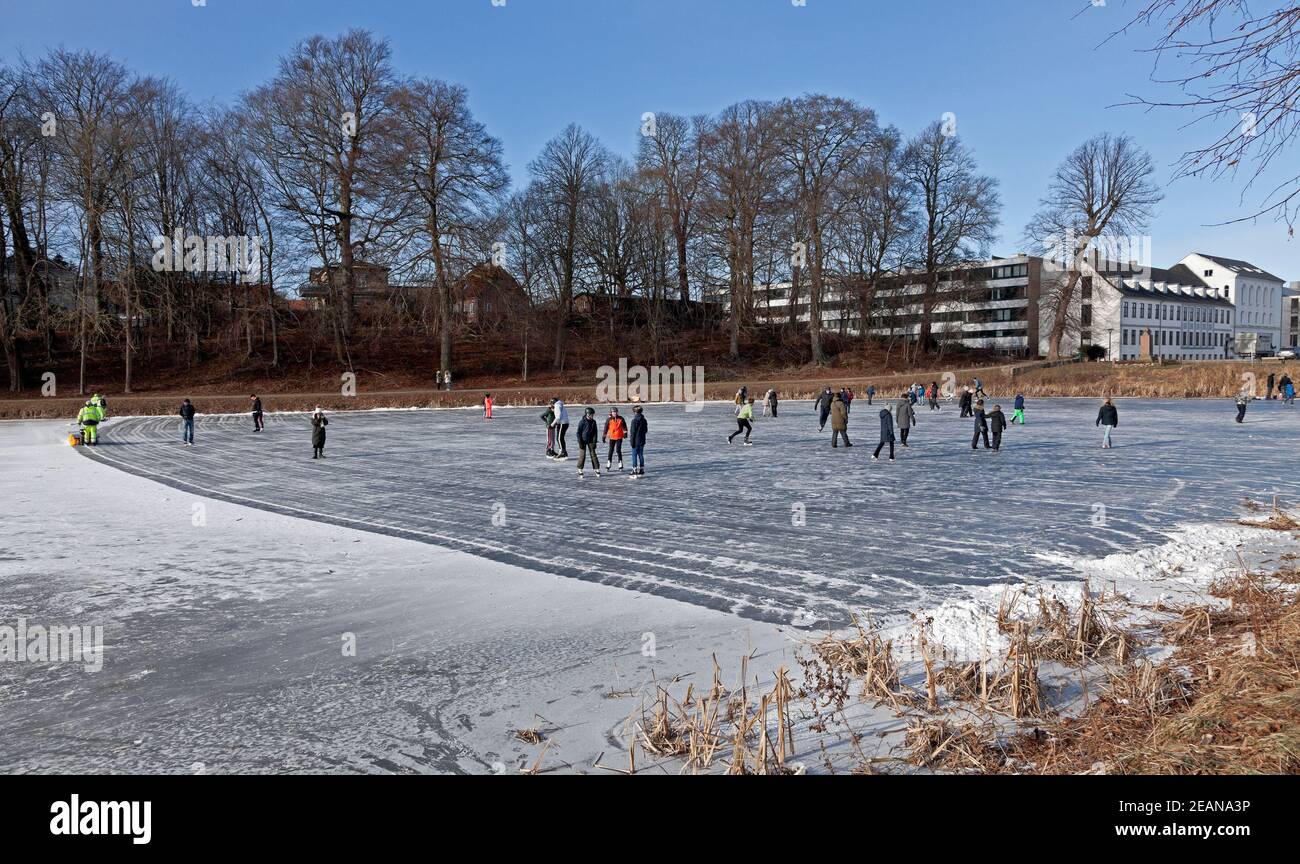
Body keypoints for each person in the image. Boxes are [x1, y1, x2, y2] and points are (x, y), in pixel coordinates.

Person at [576, 407, 601, 478]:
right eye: (591, 414)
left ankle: (596, 468)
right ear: (587, 414)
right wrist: (580, 441)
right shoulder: (582, 422)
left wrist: (594, 442)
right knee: (582, 455)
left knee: (593, 455)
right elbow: (578, 433)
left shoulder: (593, 422)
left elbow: (595, 433)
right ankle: (580, 469)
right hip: (583, 441)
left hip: (590, 440)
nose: (592, 416)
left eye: (593, 415)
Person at [603, 406, 627, 471]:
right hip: (612, 437)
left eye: (616, 412)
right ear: (611, 413)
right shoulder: (609, 419)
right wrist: (604, 437)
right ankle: (609, 462)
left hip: (619, 437)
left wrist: (625, 434)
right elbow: (606, 428)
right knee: (611, 450)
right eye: (613, 412)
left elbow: (624, 426)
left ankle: (620, 462)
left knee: (618, 450)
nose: (615, 413)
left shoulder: (621, 418)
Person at [628, 405, 647, 478]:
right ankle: (641, 469)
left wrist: (632, 442)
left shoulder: (634, 421)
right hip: (642, 440)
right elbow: (645, 430)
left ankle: (634, 470)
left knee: (634, 455)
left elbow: (633, 433)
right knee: (641, 455)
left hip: (636, 441)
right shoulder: (644, 420)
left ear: (635, 412)